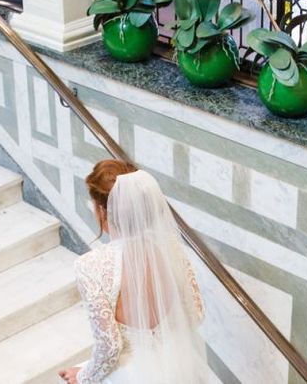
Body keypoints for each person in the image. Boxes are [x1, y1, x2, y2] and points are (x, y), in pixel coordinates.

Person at [59, 159, 206, 384]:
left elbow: (110, 348)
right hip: (178, 367)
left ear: (101, 210)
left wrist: (82, 376)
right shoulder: (171, 246)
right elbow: (195, 314)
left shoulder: (90, 265)